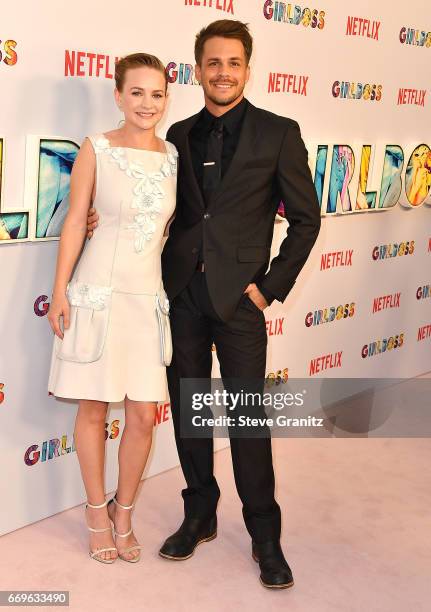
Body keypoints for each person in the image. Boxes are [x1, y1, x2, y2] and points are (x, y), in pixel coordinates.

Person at [88, 19, 321, 588]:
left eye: (233, 62)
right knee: (191, 417)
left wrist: (267, 288)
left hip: (241, 304)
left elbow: (307, 220)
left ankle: (265, 535)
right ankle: (199, 513)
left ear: (247, 67)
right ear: (198, 70)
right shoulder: (177, 140)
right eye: (212, 63)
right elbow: (146, 205)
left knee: (246, 420)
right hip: (181, 300)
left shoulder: (279, 133)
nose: (222, 72)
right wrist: (99, 217)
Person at [48, 53, 177, 564]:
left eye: (157, 94)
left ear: (167, 99)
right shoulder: (95, 148)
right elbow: (77, 220)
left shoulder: (172, 156)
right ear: (119, 95)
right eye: (138, 93)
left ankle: (126, 511)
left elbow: (166, 230)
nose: (147, 103)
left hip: (146, 299)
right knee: (94, 408)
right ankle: (96, 512)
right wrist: (60, 290)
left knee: (144, 414)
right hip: (97, 292)